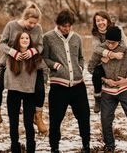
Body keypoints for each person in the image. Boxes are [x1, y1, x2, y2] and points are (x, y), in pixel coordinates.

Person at [88, 26, 127, 153]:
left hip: (126, 89)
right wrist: (104, 79)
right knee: (105, 119)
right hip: (108, 91)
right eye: (108, 42)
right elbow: (90, 68)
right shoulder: (101, 50)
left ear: (119, 41)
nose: (110, 45)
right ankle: (109, 146)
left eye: (113, 43)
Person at [0, 3, 47, 134]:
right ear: (24, 17)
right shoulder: (11, 25)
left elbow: (41, 46)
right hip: (10, 62)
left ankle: (37, 116)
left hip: (31, 64)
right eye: (30, 22)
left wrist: (33, 51)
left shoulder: (38, 28)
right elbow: (2, 44)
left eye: (35, 23)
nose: (32, 26)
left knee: (40, 89)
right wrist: (13, 52)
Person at [43, 9, 90, 153]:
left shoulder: (77, 38)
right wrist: (54, 65)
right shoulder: (48, 37)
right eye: (64, 26)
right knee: (56, 119)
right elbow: (44, 58)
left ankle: (86, 145)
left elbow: (81, 57)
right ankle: (54, 147)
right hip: (59, 86)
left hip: (78, 85)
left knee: (84, 116)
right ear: (58, 24)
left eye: (69, 26)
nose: (67, 29)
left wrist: (80, 67)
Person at [4, 31, 45, 153]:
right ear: (17, 40)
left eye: (27, 38)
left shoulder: (35, 56)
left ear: (30, 41)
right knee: (13, 123)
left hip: (29, 93)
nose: (25, 39)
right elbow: (2, 67)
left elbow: (44, 69)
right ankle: (15, 148)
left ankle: (31, 148)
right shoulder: (11, 55)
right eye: (22, 38)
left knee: (28, 123)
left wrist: (41, 85)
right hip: (13, 92)